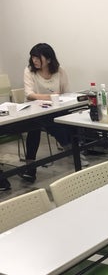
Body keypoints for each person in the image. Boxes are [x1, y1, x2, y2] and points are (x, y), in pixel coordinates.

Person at [22, 43, 75, 182]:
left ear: (49, 59)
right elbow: (29, 94)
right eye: (33, 57)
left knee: (55, 120)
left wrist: (56, 98)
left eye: (38, 58)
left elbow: (67, 93)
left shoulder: (59, 71)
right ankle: (71, 150)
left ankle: (30, 166)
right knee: (38, 124)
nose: (34, 61)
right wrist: (51, 97)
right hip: (34, 111)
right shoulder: (29, 71)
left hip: (56, 109)